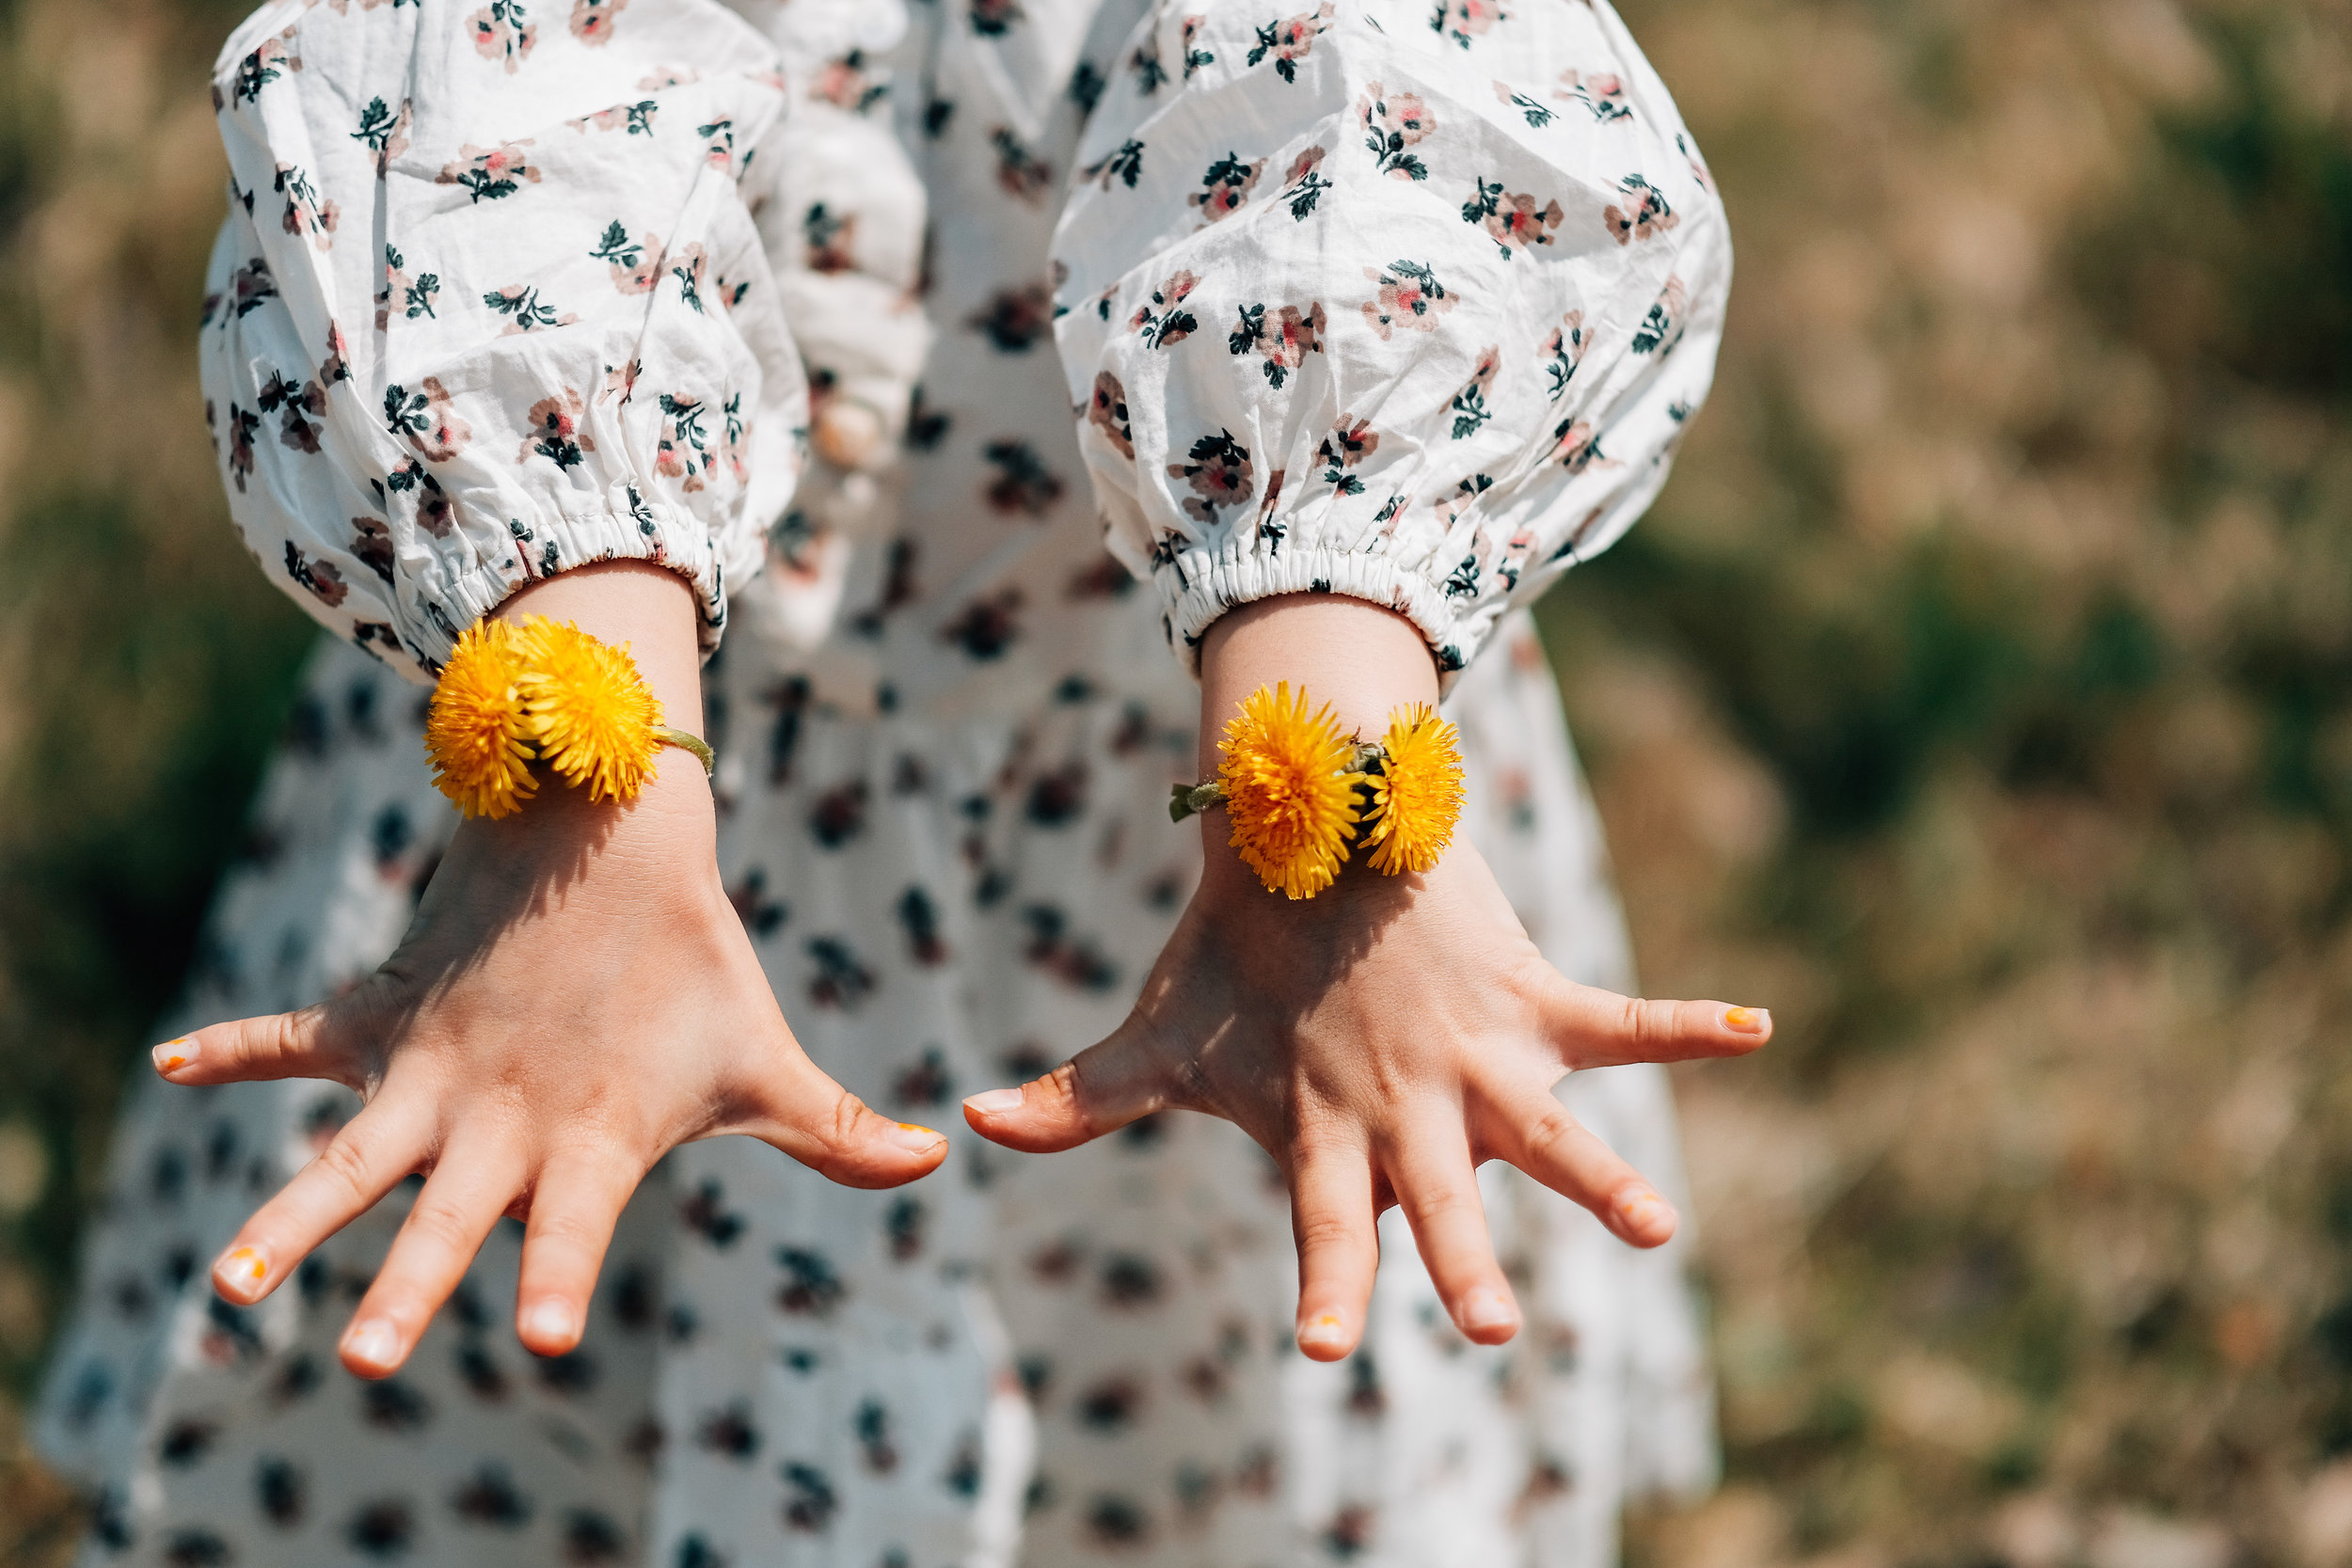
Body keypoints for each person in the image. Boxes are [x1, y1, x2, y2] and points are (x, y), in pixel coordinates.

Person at [36, 0, 1757, 1562]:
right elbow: (500, 84)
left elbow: (1367, 87)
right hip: (639, 800)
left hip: (1165, 753)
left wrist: (1334, 745)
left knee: (1196, 1384)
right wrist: (584, 793)